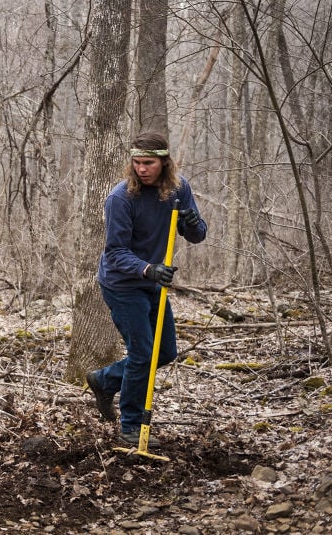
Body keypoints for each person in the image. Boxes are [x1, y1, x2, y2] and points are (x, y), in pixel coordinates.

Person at [85, 132, 207, 445]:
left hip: (155, 281)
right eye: (137, 162)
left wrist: (192, 221)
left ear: (164, 162)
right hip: (123, 283)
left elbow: (197, 235)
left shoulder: (178, 190)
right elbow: (115, 251)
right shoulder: (121, 198)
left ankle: (104, 379)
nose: (142, 169)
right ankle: (131, 427)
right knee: (142, 354)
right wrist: (148, 269)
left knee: (164, 352)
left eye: (148, 163)